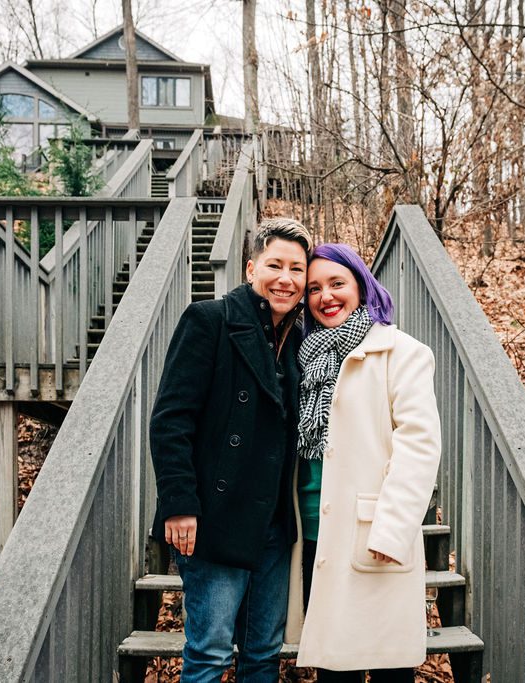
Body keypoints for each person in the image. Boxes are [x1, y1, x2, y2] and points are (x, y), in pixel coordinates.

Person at [149, 218, 312, 682]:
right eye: (275, 265)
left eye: (296, 269)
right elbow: (170, 419)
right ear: (250, 268)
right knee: (211, 654)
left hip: (274, 526)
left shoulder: (298, 342)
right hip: (214, 520)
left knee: (262, 653)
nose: (286, 278)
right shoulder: (209, 321)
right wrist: (179, 505)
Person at [284, 243, 442, 682]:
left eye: (337, 283)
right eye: (313, 288)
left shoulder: (402, 353)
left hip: (374, 535)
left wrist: (391, 530)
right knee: (335, 670)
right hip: (315, 535)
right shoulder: (302, 356)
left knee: (390, 669)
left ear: (362, 285)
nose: (325, 296)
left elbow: (419, 447)